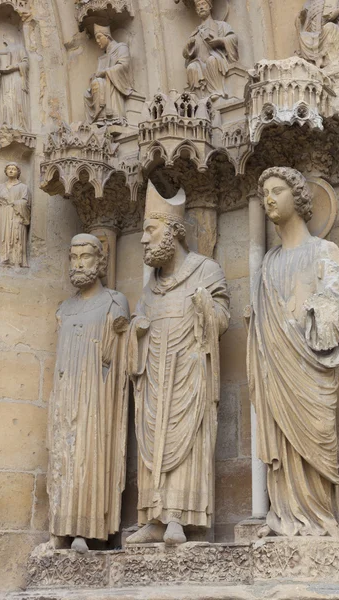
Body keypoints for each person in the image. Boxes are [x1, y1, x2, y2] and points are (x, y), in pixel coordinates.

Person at [126, 181, 230, 545]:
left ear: (173, 232)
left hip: (189, 372)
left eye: (150, 231)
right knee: (152, 442)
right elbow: (138, 326)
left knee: (187, 442)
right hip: (154, 374)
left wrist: (204, 306)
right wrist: (136, 332)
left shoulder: (206, 271)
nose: (143, 240)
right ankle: (154, 517)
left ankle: (178, 517)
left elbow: (221, 319)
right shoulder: (150, 286)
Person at [248, 167, 339, 537]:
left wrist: (314, 313)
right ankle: (284, 515)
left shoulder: (323, 250)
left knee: (317, 435)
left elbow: (334, 302)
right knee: (282, 441)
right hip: (276, 367)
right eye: (265, 194)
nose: (269, 199)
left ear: (300, 198)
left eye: (278, 190)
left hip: (309, 367)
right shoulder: (267, 264)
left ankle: (320, 519)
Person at [46, 234, 130, 553]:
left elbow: (121, 355)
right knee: (63, 458)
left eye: (86, 257)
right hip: (66, 393)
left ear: (101, 262)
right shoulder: (64, 309)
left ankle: (85, 528)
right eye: (74, 257)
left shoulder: (114, 302)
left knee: (88, 456)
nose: (79, 264)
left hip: (96, 394)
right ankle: (60, 527)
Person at [183, 0, 238, 98]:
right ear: (196, 10)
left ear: (210, 6)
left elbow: (232, 38)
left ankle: (217, 91)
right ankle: (199, 97)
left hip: (215, 58)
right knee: (191, 67)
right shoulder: (195, 32)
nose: (201, 7)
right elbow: (186, 54)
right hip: (199, 62)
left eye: (203, 4)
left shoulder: (220, 25)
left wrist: (220, 40)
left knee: (211, 60)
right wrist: (189, 45)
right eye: (198, 6)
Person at [84, 24, 133, 124]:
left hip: (115, 84)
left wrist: (105, 72)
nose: (97, 41)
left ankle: (107, 118)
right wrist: (96, 75)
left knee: (97, 83)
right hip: (105, 81)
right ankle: (98, 119)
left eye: (99, 37)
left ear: (107, 36)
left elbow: (124, 65)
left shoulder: (121, 48)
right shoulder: (104, 56)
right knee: (87, 93)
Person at [297, 0, 339, 68]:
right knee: (303, 35)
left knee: (330, 27)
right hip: (313, 33)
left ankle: (323, 57)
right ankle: (314, 59)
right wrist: (302, 17)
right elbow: (304, 22)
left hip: (326, 30)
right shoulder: (308, 4)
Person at [0, 162, 30, 267]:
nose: (11, 170)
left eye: (14, 169)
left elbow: (26, 202)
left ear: (18, 172)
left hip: (17, 215)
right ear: (6, 171)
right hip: (4, 214)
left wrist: (14, 203)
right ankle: (4, 257)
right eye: (9, 169)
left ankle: (17, 260)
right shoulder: (0, 187)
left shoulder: (23, 187)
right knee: (5, 236)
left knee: (17, 236)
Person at [0, 35, 29, 130]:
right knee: (5, 102)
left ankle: (19, 126)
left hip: (16, 77)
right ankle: (5, 125)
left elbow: (26, 63)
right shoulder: (1, 53)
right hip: (4, 79)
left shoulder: (19, 48)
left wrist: (14, 66)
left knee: (16, 100)